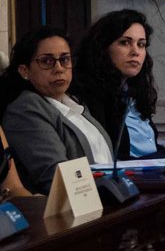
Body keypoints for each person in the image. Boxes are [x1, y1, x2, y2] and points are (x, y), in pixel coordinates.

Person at [2, 27, 115, 192]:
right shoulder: (25, 108)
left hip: (108, 198)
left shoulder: (75, 102)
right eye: (47, 61)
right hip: (70, 207)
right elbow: (54, 175)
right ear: (24, 71)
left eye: (65, 59)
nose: (59, 68)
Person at [73, 10, 158, 160]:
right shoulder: (89, 95)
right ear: (103, 47)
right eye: (125, 42)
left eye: (141, 44)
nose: (135, 52)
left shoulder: (134, 91)